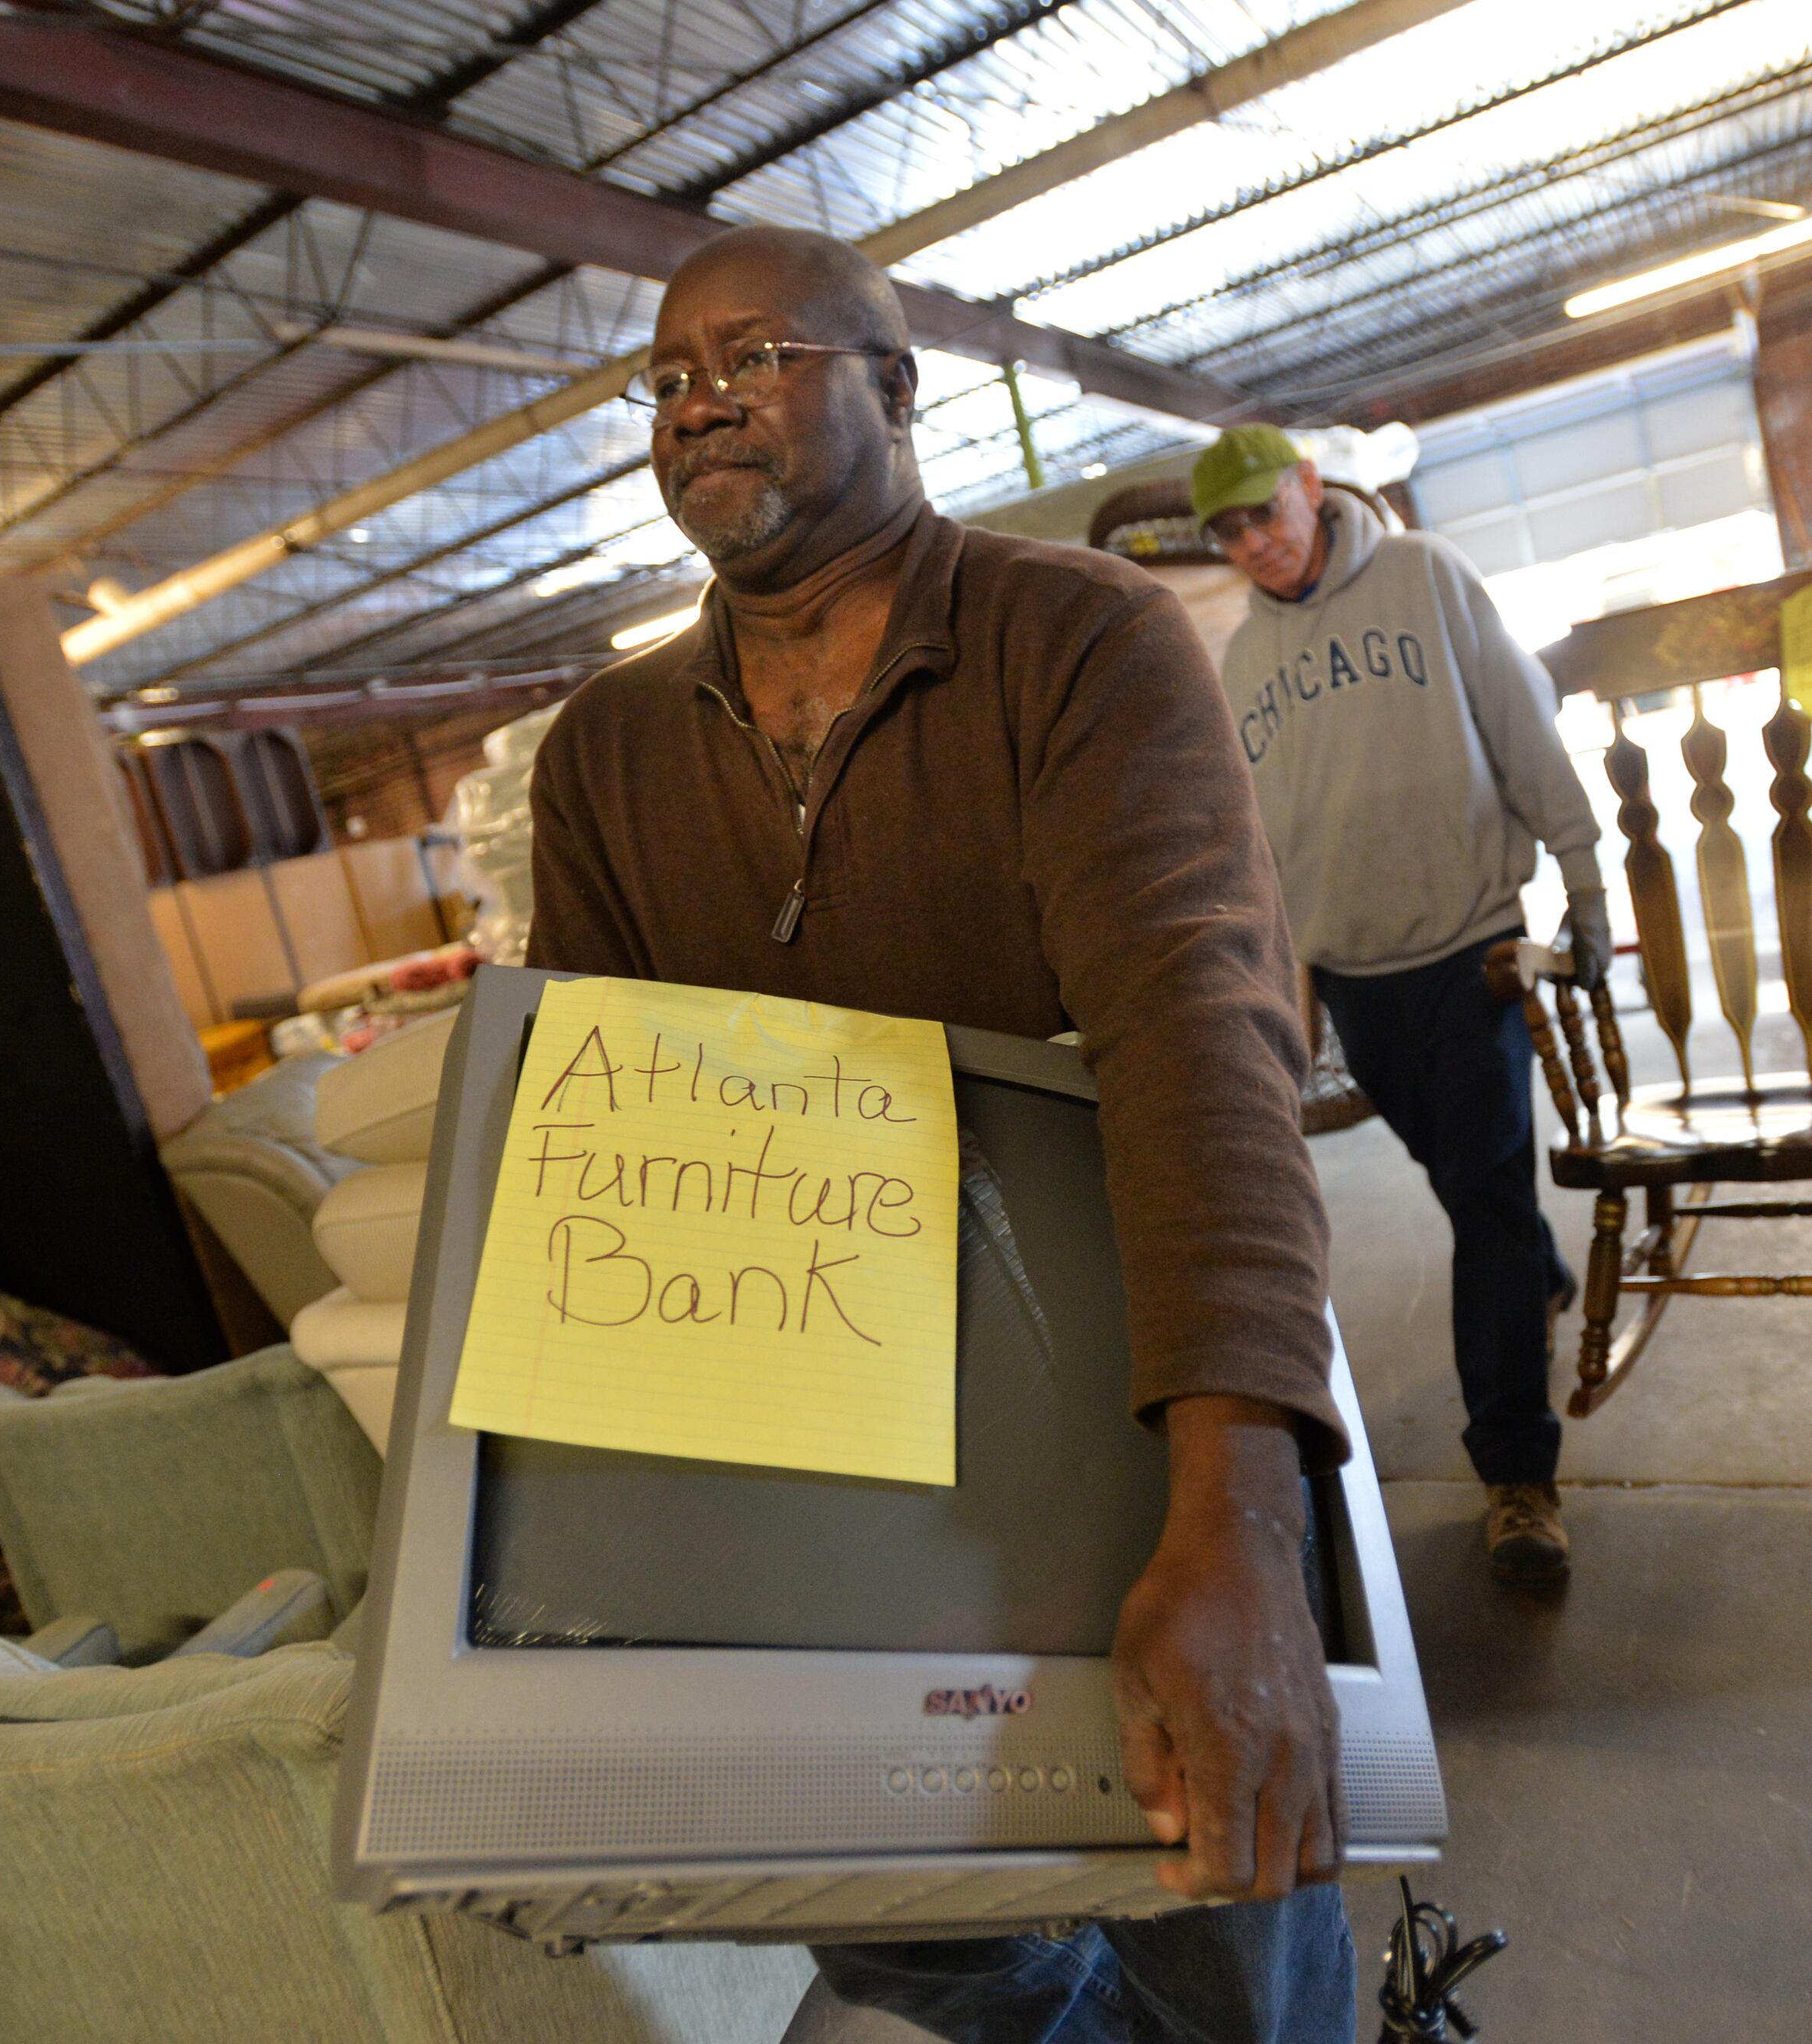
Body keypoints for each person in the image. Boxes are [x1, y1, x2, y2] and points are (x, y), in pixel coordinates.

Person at [524, 226, 1356, 2042]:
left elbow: (1200, 1046)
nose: (695, 406)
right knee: (927, 1957)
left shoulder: (1076, 640)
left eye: (750, 357)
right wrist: (563, 1624)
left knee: (1217, 1930)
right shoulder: (602, 754)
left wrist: (1243, 1521)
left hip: (1122, 1432)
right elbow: (598, 1162)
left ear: (897, 392)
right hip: (825, 1495)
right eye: (663, 381)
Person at [1199, 427, 1609, 1585]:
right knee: (1465, 1180)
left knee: (1481, 1195)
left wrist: (1584, 878)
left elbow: (1525, 724)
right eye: (1227, 533)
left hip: (1473, 945)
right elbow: (1254, 846)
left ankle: (1517, 1478)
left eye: (1263, 514)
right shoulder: (1240, 667)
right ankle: (1535, 1264)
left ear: (1310, 489)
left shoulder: (1428, 577)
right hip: (1358, 978)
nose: (1251, 544)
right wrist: (1281, 981)